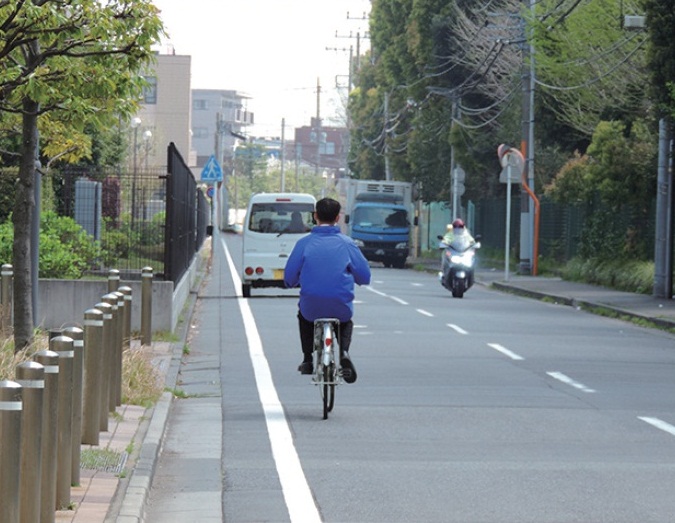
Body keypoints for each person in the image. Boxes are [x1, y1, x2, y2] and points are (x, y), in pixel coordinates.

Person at [284, 197, 371, 383]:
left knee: (304, 318)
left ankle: (307, 359)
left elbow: (289, 278)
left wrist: (295, 282)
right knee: (345, 321)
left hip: (312, 306)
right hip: (340, 306)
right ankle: (344, 352)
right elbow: (364, 276)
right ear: (338, 217)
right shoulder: (347, 244)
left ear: (315, 216)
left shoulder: (304, 244)